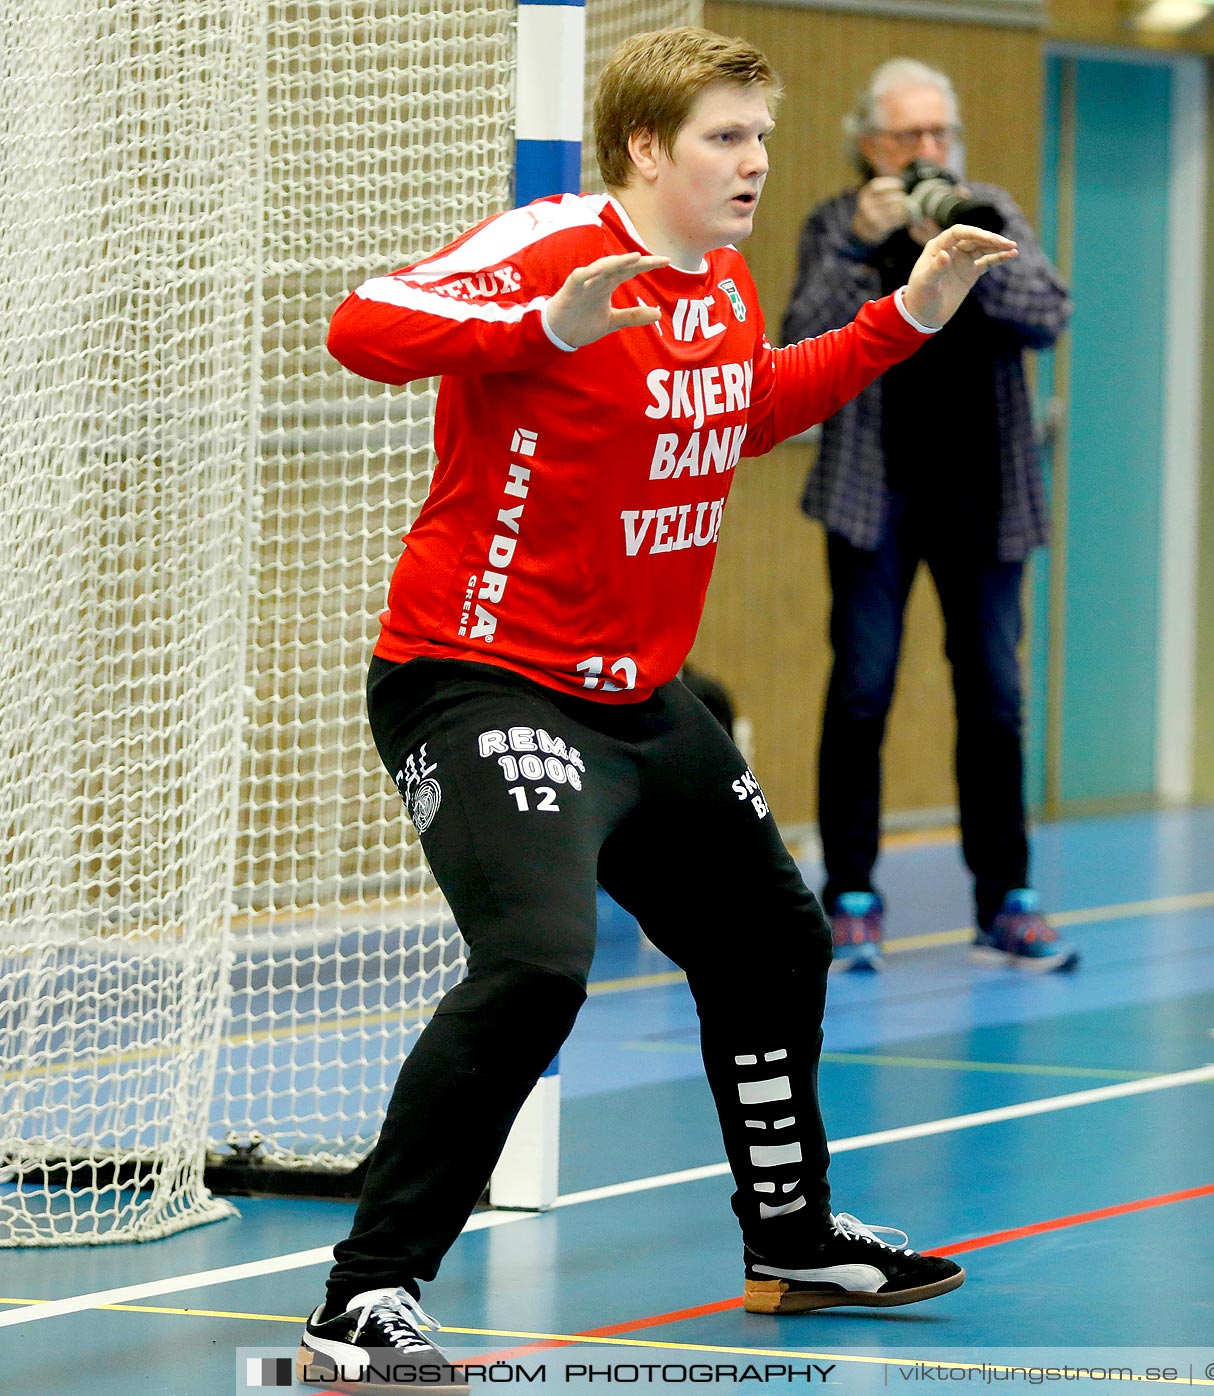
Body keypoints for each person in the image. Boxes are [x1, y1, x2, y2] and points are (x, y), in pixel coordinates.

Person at [293, 28, 1017, 1394]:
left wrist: (907, 313)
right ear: (644, 149)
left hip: (637, 700)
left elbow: (738, 408)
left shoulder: (724, 283)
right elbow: (360, 326)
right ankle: (366, 1299)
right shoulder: (554, 247)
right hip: (480, 678)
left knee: (773, 942)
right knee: (538, 968)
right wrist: (538, 326)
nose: (753, 163)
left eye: (759, 136)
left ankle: (791, 1240)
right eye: (724, 139)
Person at [782, 59, 1078, 975]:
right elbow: (800, 340)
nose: (926, 152)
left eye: (938, 135)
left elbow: (1049, 309)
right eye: (908, 137)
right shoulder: (837, 225)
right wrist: (863, 252)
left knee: (995, 697)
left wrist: (953, 251)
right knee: (863, 689)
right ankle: (853, 900)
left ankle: (1007, 901)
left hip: (986, 498)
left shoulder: (985, 209)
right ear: (868, 144)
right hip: (876, 497)